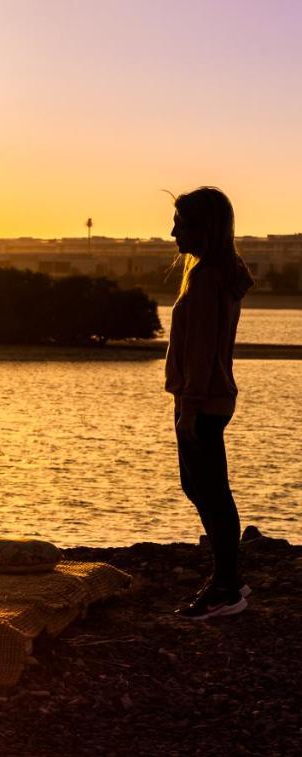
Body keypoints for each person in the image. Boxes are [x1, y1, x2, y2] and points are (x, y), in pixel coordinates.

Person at [166, 186, 254, 620]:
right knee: (201, 487)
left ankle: (226, 587)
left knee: (211, 491)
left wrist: (189, 405)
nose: (172, 233)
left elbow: (200, 350)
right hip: (212, 397)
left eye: (180, 224)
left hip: (203, 399)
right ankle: (228, 577)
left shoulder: (205, 280)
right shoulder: (222, 272)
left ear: (203, 227)